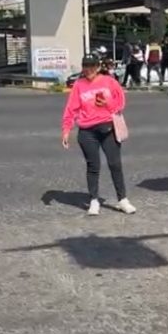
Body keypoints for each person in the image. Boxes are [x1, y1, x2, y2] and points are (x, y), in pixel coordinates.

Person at [62, 54, 136, 216]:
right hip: (87, 131)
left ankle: (122, 199)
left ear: (98, 67)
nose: (88, 70)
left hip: (108, 128)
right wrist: (66, 130)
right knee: (93, 166)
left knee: (115, 164)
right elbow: (71, 109)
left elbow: (121, 102)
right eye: (85, 66)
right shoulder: (79, 85)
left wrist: (107, 103)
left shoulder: (109, 81)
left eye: (92, 66)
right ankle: (94, 200)